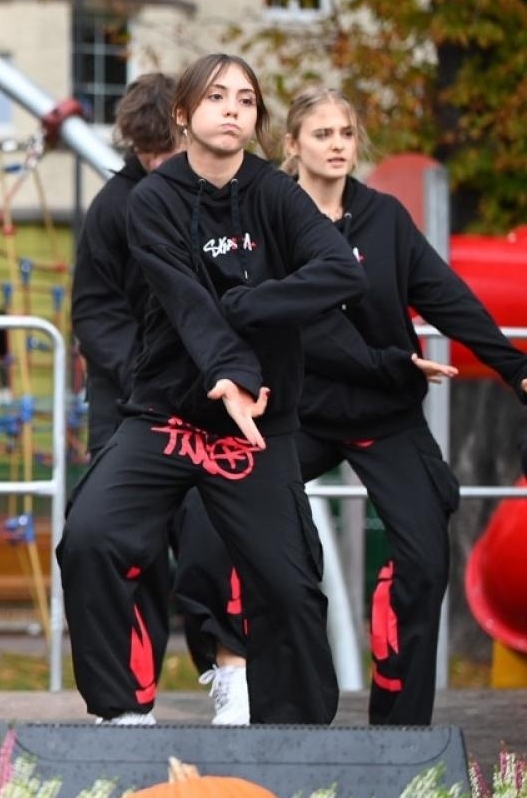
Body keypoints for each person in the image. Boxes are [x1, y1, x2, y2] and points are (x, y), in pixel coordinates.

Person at [176, 87, 527, 725]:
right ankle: (238, 673)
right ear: (292, 146)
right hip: (298, 414)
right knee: (211, 509)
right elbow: (308, 328)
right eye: (322, 134)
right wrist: (391, 362)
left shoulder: (385, 218)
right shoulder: (265, 222)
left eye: (346, 134)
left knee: (424, 557)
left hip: (383, 416)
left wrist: (515, 368)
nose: (338, 145)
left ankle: (399, 725)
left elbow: (445, 296)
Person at [57, 53, 365, 726]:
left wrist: (253, 305)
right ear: (182, 115)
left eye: (247, 100)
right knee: (90, 535)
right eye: (218, 96)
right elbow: (187, 301)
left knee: (288, 585)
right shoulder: (151, 202)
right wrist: (232, 369)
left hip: (254, 428)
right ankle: (121, 713)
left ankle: (301, 734)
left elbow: (339, 270)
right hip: (168, 413)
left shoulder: (274, 194)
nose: (233, 108)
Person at [69, 74, 250, 724]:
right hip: (130, 409)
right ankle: (130, 702)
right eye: (146, 154)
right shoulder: (113, 210)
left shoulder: (226, 201)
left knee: (215, 542)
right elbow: (93, 311)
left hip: (210, 407)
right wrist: (145, 373)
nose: (156, 165)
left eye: (165, 152)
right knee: (124, 553)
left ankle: (230, 669)